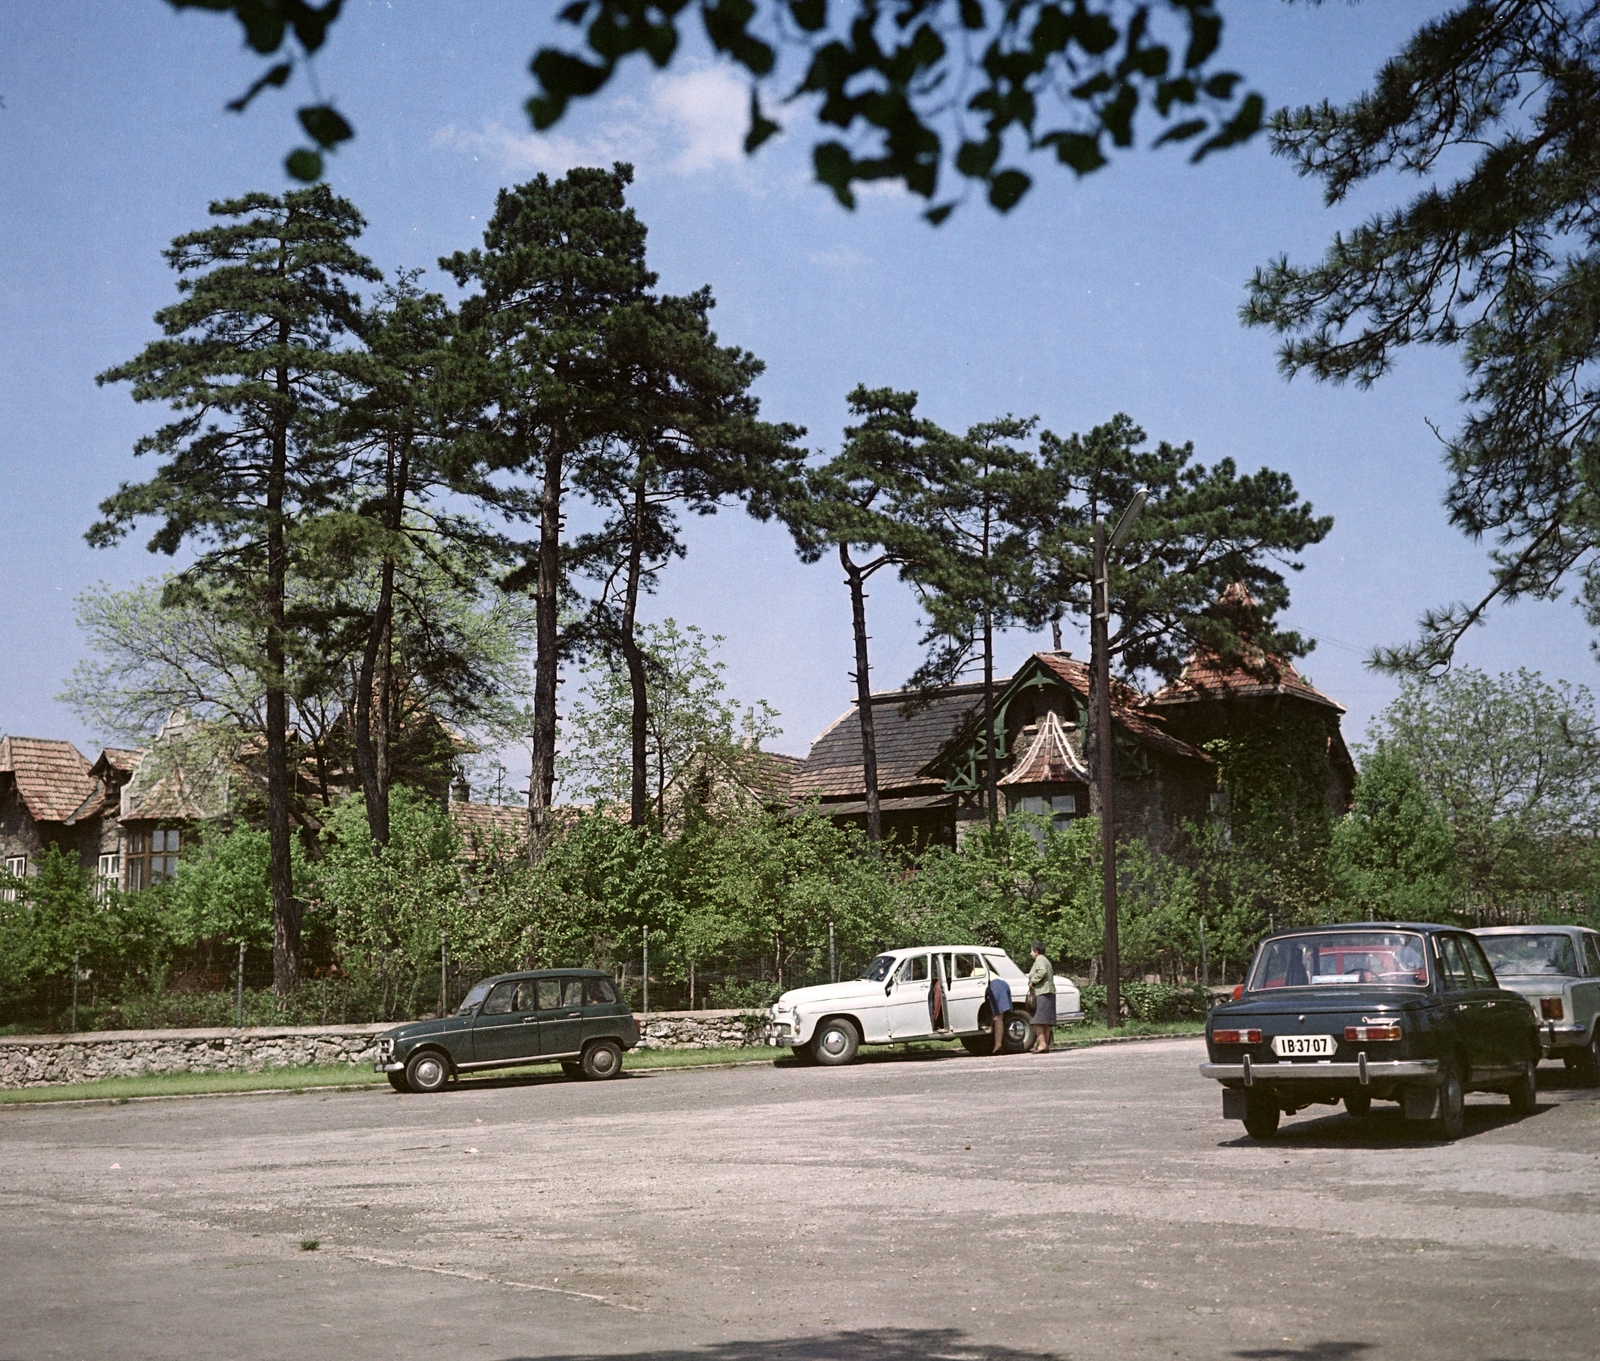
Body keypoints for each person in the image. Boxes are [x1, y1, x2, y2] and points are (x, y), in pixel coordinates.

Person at [1027, 942, 1056, 1053]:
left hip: (1042, 993)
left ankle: (1043, 1044)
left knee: (1036, 1020)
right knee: (1045, 1021)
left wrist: (1033, 981)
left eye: (1032, 951)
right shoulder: (1046, 960)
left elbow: (1042, 971)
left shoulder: (1040, 960)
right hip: (1048, 993)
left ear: (1036, 951)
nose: (1030, 953)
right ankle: (1044, 1045)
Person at [985, 966, 1013, 1055]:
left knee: (997, 1017)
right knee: (999, 1017)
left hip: (996, 986)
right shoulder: (986, 970)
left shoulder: (974, 971)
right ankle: (999, 1044)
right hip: (1002, 984)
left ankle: (998, 1045)